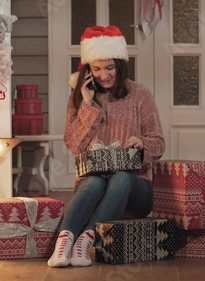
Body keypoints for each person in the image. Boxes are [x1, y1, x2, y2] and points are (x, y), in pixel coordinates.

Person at [47, 25, 165, 268]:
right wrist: (89, 106)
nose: (104, 75)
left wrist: (142, 143)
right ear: (88, 69)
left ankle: (87, 240)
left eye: (109, 68)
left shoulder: (140, 95)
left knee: (120, 176)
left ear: (120, 65)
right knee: (92, 180)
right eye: (96, 69)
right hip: (96, 188)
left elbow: (159, 143)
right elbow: (73, 145)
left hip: (135, 191)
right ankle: (65, 242)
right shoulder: (79, 98)